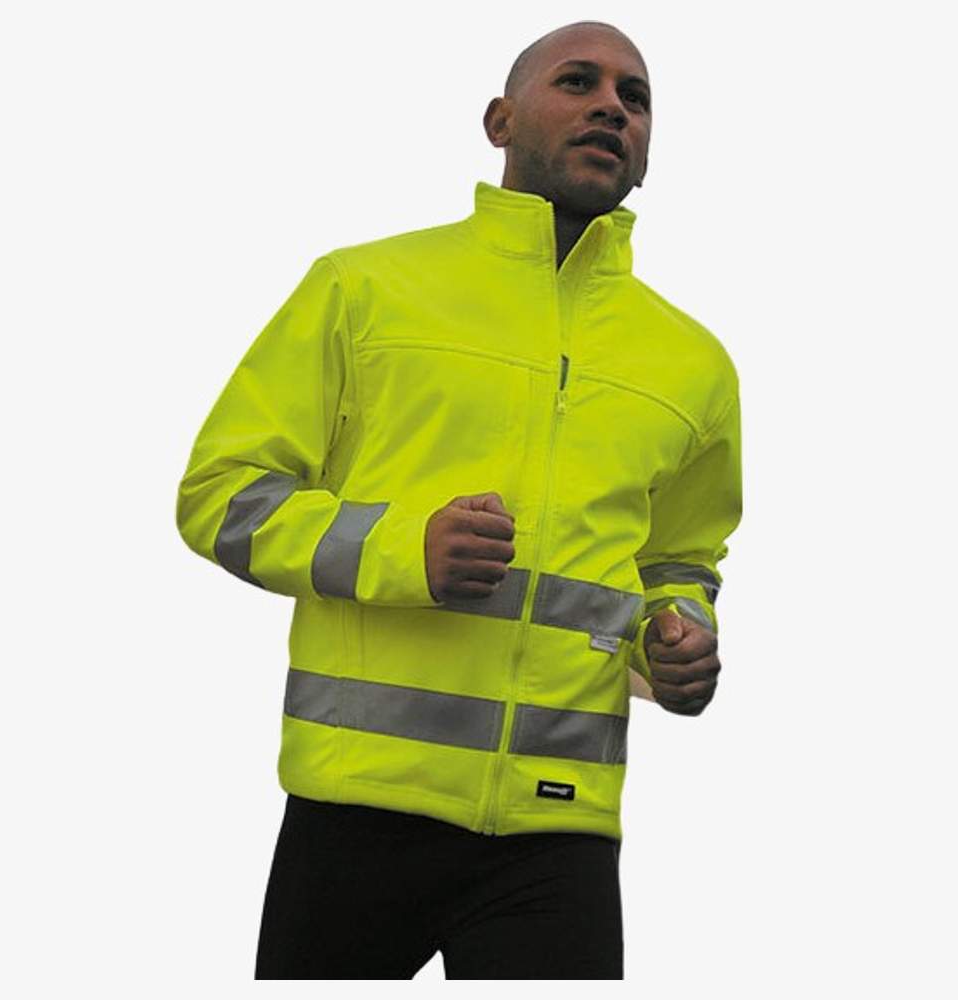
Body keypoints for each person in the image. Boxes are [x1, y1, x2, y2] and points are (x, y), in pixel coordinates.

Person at [175, 19, 742, 980]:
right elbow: (221, 497)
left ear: (648, 151)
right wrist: (407, 550)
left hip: (560, 831)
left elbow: (679, 562)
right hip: (356, 810)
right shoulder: (364, 288)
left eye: (636, 97)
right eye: (578, 81)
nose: (612, 106)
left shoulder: (695, 365)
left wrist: (674, 639)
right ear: (499, 120)